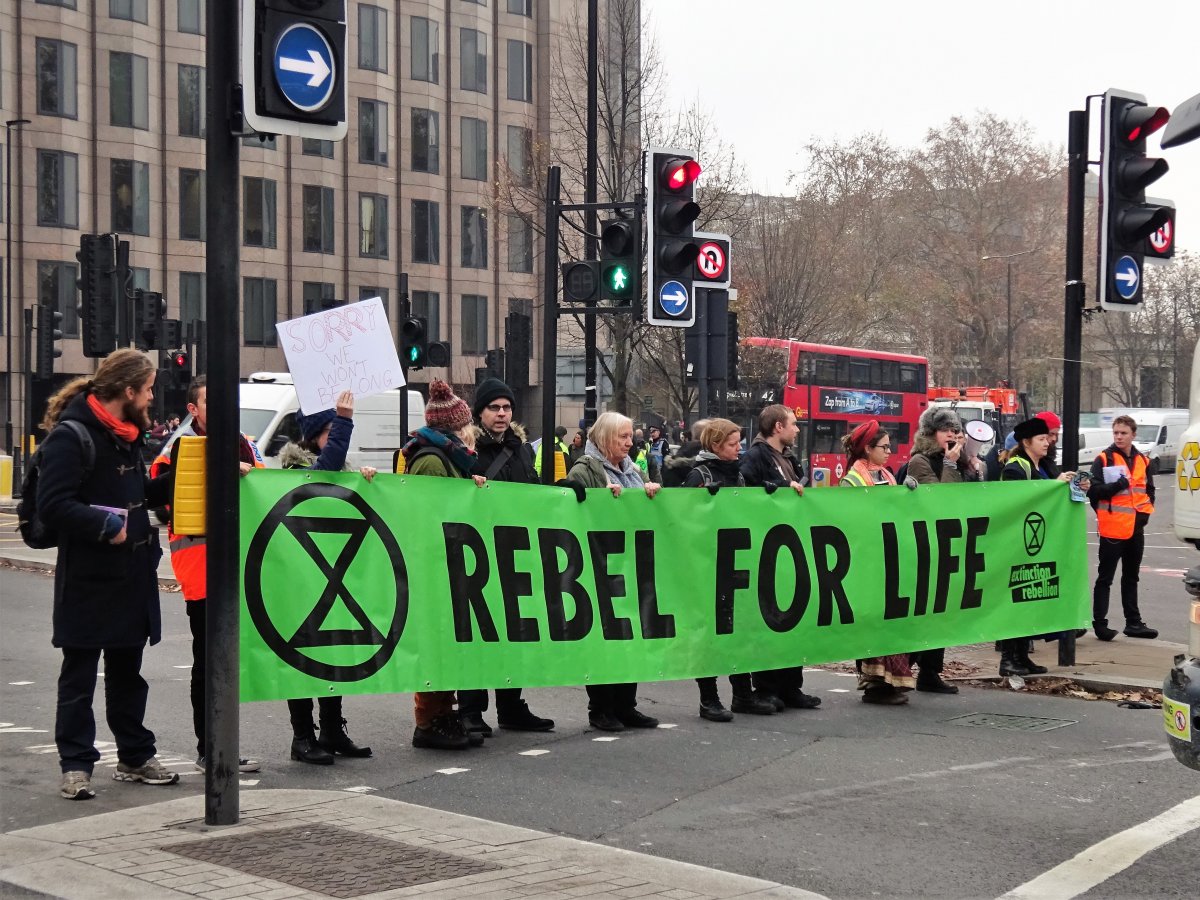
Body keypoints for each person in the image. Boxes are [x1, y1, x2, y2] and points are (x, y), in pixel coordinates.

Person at [36, 349, 179, 800]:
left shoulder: (130, 435)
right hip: (88, 577)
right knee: (79, 675)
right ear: (129, 390)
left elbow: (139, 493)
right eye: (149, 388)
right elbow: (53, 504)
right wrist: (105, 525)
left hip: (132, 574)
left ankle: (134, 756)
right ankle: (75, 765)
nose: (153, 396)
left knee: (128, 673)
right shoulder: (72, 437)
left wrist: (181, 476)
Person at [150, 376, 262, 774]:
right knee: (208, 660)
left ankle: (222, 744)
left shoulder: (246, 442)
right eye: (210, 402)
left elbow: (266, 491)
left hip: (240, 565)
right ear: (192, 410)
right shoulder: (178, 447)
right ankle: (209, 747)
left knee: (229, 659)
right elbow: (161, 501)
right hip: (200, 567)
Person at [279, 391, 376, 764]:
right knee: (302, 658)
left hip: (333, 577)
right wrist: (345, 420)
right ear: (315, 433)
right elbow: (322, 478)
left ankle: (333, 729)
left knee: (332, 652)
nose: (339, 436)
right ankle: (302, 735)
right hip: (301, 577)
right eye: (333, 429)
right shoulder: (292, 470)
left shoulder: (341, 469)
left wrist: (365, 482)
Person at [458, 377, 555, 738]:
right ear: (479, 413)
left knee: (514, 630)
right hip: (476, 551)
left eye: (507, 407)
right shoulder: (466, 447)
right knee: (477, 632)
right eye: (494, 408)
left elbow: (532, 493)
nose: (501, 414)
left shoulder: (522, 449)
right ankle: (470, 709)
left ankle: (511, 705)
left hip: (514, 550)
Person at [402, 380, 491, 749]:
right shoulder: (432, 461)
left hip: (446, 561)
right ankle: (429, 720)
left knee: (447, 640)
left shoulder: (445, 458)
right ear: (456, 427)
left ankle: (442, 712)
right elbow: (428, 514)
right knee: (437, 641)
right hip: (435, 563)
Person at [562, 411, 662, 732]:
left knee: (630, 637)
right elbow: (573, 514)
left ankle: (626, 704)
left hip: (630, 565)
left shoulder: (632, 470)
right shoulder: (585, 470)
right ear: (605, 439)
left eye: (631, 436)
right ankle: (601, 708)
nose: (631, 442)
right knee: (606, 639)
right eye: (623, 437)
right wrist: (600, 503)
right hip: (599, 567)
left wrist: (652, 496)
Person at [683, 418, 774, 721]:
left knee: (740, 629)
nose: (739, 449)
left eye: (740, 443)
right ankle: (708, 699)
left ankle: (743, 695)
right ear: (716, 445)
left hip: (736, 563)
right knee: (709, 634)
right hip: (707, 567)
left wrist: (768, 494)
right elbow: (682, 520)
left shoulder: (739, 476)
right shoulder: (699, 474)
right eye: (733, 444)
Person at [739, 405, 821, 712]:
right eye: (794, 424)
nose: (798, 429)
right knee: (770, 620)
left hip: (790, 548)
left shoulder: (787, 458)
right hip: (767, 550)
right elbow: (743, 494)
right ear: (777, 427)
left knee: (792, 621)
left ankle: (791, 686)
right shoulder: (756, 457)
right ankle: (766, 687)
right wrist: (771, 489)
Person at [904, 407, 983, 695]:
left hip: (950, 545)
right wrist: (951, 466)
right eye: (944, 429)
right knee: (923, 615)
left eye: (954, 429)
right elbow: (940, 503)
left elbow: (974, 502)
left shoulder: (958, 463)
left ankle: (929, 672)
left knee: (941, 615)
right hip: (926, 547)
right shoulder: (919, 462)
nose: (951, 433)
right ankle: (901, 667)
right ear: (929, 433)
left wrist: (973, 470)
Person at [839, 421, 915, 704]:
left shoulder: (887, 474)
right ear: (867, 449)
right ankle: (875, 685)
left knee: (894, 622)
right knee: (873, 623)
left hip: (891, 560)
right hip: (868, 563)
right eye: (884, 447)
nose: (889, 452)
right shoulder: (852, 481)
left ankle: (891, 681)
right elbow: (848, 523)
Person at [998, 417, 1078, 676]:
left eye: (1048, 438)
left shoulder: (1043, 465)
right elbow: (1018, 500)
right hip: (1018, 545)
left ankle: (1022, 657)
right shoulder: (1015, 467)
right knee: (1015, 602)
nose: (1048, 443)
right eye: (1042, 439)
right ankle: (1008, 659)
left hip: (1037, 545)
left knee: (1030, 601)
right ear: (1026, 442)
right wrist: (1054, 485)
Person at [1088, 414, 1158, 641]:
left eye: (1123, 433)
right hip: (1112, 529)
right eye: (1116, 433)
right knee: (1105, 578)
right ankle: (1100, 624)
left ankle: (1133, 623)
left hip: (1135, 528)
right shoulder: (1104, 459)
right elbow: (1094, 491)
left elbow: (1149, 490)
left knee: (1131, 577)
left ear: (1133, 435)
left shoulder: (1142, 460)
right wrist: (1118, 485)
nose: (1119, 436)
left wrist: (1145, 514)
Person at [1035, 410, 1063, 478]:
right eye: (1051, 434)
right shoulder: (1020, 466)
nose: (1054, 439)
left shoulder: (1047, 459)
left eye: (1056, 434)